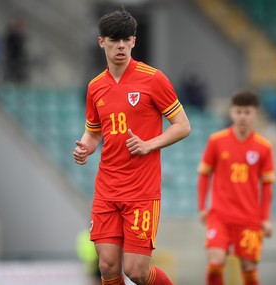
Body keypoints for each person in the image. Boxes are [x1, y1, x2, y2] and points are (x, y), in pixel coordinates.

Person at [73, 9, 190, 285]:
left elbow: (183, 125)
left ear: (134, 41)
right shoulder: (95, 87)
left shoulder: (153, 79)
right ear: (102, 42)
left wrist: (150, 144)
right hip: (107, 189)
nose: (121, 45)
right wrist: (84, 148)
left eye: (126, 39)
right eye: (114, 40)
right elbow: (93, 133)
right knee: (108, 266)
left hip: (141, 191)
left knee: (136, 271)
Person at [197, 90, 275, 285]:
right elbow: (204, 175)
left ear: (255, 114)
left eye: (247, 112)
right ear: (232, 112)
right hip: (220, 216)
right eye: (238, 111)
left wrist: (265, 219)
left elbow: (267, 186)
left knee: (249, 270)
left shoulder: (263, 146)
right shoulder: (216, 141)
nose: (242, 116)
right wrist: (202, 207)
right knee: (215, 263)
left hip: (249, 218)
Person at [3, 16, 29, 84]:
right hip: (12, 62)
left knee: (20, 80)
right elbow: (7, 49)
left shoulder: (22, 37)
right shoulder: (10, 36)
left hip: (21, 63)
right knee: (10, 80)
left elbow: (23, 50)